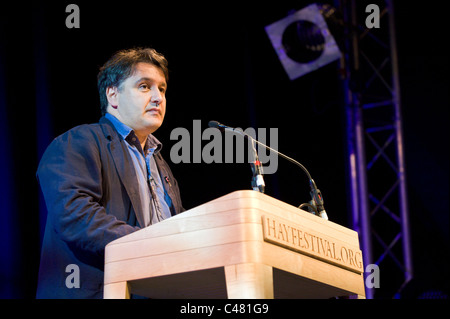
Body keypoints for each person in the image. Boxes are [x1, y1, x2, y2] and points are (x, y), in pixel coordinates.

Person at [36, 47, 184, 299]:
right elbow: (75, 216)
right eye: (145, 86)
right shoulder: (77, 141)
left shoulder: (161, 163)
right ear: (113, 95)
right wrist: (151, 244)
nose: (158, 97)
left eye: (162, 89)